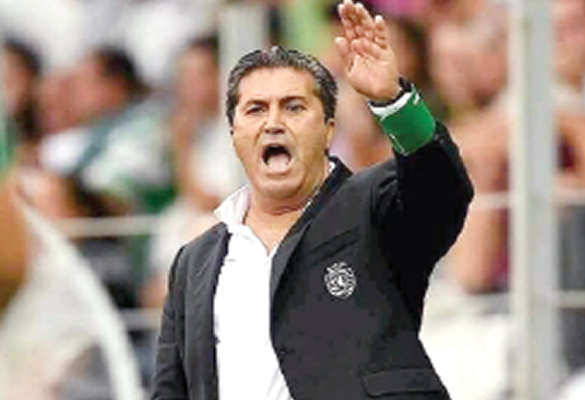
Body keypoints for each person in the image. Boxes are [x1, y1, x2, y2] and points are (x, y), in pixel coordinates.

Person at [151, 1, 473, 399]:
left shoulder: (372, 204)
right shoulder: (194, 261)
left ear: (328, 130)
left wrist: (392, 102)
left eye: (294, 107)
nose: (273, 123)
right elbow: (172, 389)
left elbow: (442, 190)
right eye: (255, 110)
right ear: (234, 134)